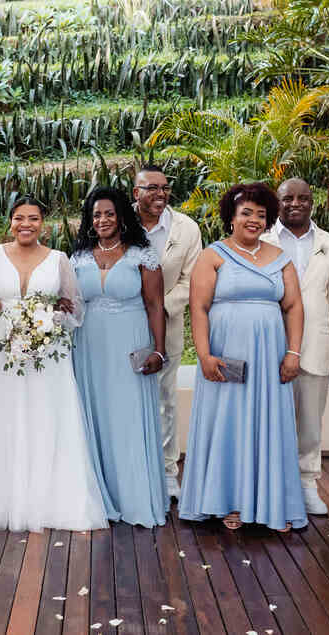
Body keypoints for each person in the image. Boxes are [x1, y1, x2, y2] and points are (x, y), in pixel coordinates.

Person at [0, 198, 108, 532]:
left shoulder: (58, 260)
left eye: (33, 218)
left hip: (46, 354)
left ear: (43, 224)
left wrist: (51, 319)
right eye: (19, 218)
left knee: (44, 415)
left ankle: (47, 497)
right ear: (10, 222)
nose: (26, 224)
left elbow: (75, 307)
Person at [180, 182, 307, 532]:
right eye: (246, 213)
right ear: (231, 218)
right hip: (227, 352)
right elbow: (199, 308)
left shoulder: (281, 257)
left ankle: (272, 503)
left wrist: (293, 353)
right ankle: (230, 501)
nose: (254, 220)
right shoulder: (213, 255)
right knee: (229, 421)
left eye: (261, 215)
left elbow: (294, 307)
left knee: (270, 421)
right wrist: (204, 355)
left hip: (269, 355)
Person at [72, 186, 168, 528]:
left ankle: (135, 498)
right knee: (94, 418)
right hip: (87, 346)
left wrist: (159, 350)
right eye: (96, 214)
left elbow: (156, 305)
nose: (102, 220)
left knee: (127, 418)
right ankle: (102, 499)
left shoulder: (142, 255)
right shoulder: (79, 257)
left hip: (130, 342)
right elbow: (71, 302)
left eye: (109, 213)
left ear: (121, 216)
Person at [261, 177, 329, 516]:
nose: (295, 204)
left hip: (317, 343)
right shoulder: (261, 239)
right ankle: (271, 483)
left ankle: (307, 483)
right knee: (269, 416)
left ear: (313, 202)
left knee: (311, 420)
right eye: (287, 198)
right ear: (277, 202)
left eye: (303, 198)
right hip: (269, 342)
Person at [132, 165, 203, 502]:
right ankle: (131, 470)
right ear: (136, 193)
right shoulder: (120, 222)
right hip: (123, 326)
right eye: (151, 188)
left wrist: (159, 309)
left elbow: (193, 279)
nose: (159, 194)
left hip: (168, 327)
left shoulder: (187, 229)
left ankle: (167, 472)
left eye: (164, 188)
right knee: (126, 399)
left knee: (164, 401)